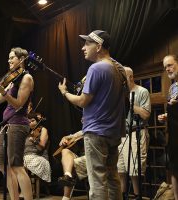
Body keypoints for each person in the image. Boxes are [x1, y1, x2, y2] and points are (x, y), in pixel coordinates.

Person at [58, 30, 127, 200]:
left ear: (98, 46)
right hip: (114, 132)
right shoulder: (119, 68)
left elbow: (82, 101)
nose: (83, 48)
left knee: (97, 180)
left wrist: (64, 93)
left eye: (87, 43)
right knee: (112, 178)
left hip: (96, 133)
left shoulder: (96, 68)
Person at [0, 47, 34, 200]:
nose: (9, 60)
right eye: (8, 58)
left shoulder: (26, 78)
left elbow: (19, 104)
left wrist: (4, 92)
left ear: (21, 59)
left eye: (12, 57)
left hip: (18, 124)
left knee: (16, 165)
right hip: (6, 124)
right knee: (2, 165)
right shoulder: (12, 79)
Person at [117, 67, 151, 199]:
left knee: (134, 170)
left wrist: (129, 103)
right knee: (120, 169)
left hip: (137, 132)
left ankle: (137, 196)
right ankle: (122, 196)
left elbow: (146, 114)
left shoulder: (142, 91)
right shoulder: (118, 93)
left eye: (122, 77)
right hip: (121, 134)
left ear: (130, 77)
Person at [158, 55, 178, 200]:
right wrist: (166, 115)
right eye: (165, 67)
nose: (167, 69)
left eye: (170, 65)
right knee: (175, 169)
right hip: (174, 136)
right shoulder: (172, 87)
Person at [57, 131, 87, 200]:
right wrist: (64, 139)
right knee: (65, 151)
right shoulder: (84, 130)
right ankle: (68, 176)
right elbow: (71, 136)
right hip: (82, 159)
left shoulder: (98, 127)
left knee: (72, 164)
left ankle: (66, 197)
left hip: (94, 158)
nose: (82, 120)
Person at [24, 112, 51, 185]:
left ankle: (28, 189)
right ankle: (28, 188)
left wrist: (35, 141)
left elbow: (41, 147)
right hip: (27, 156)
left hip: (39, 157)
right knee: (18, 161)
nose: (31, 123)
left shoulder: (43, 130)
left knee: (23, 161)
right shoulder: (28, 132)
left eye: (33, 120)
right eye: (29, 122)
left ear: (37, 120)